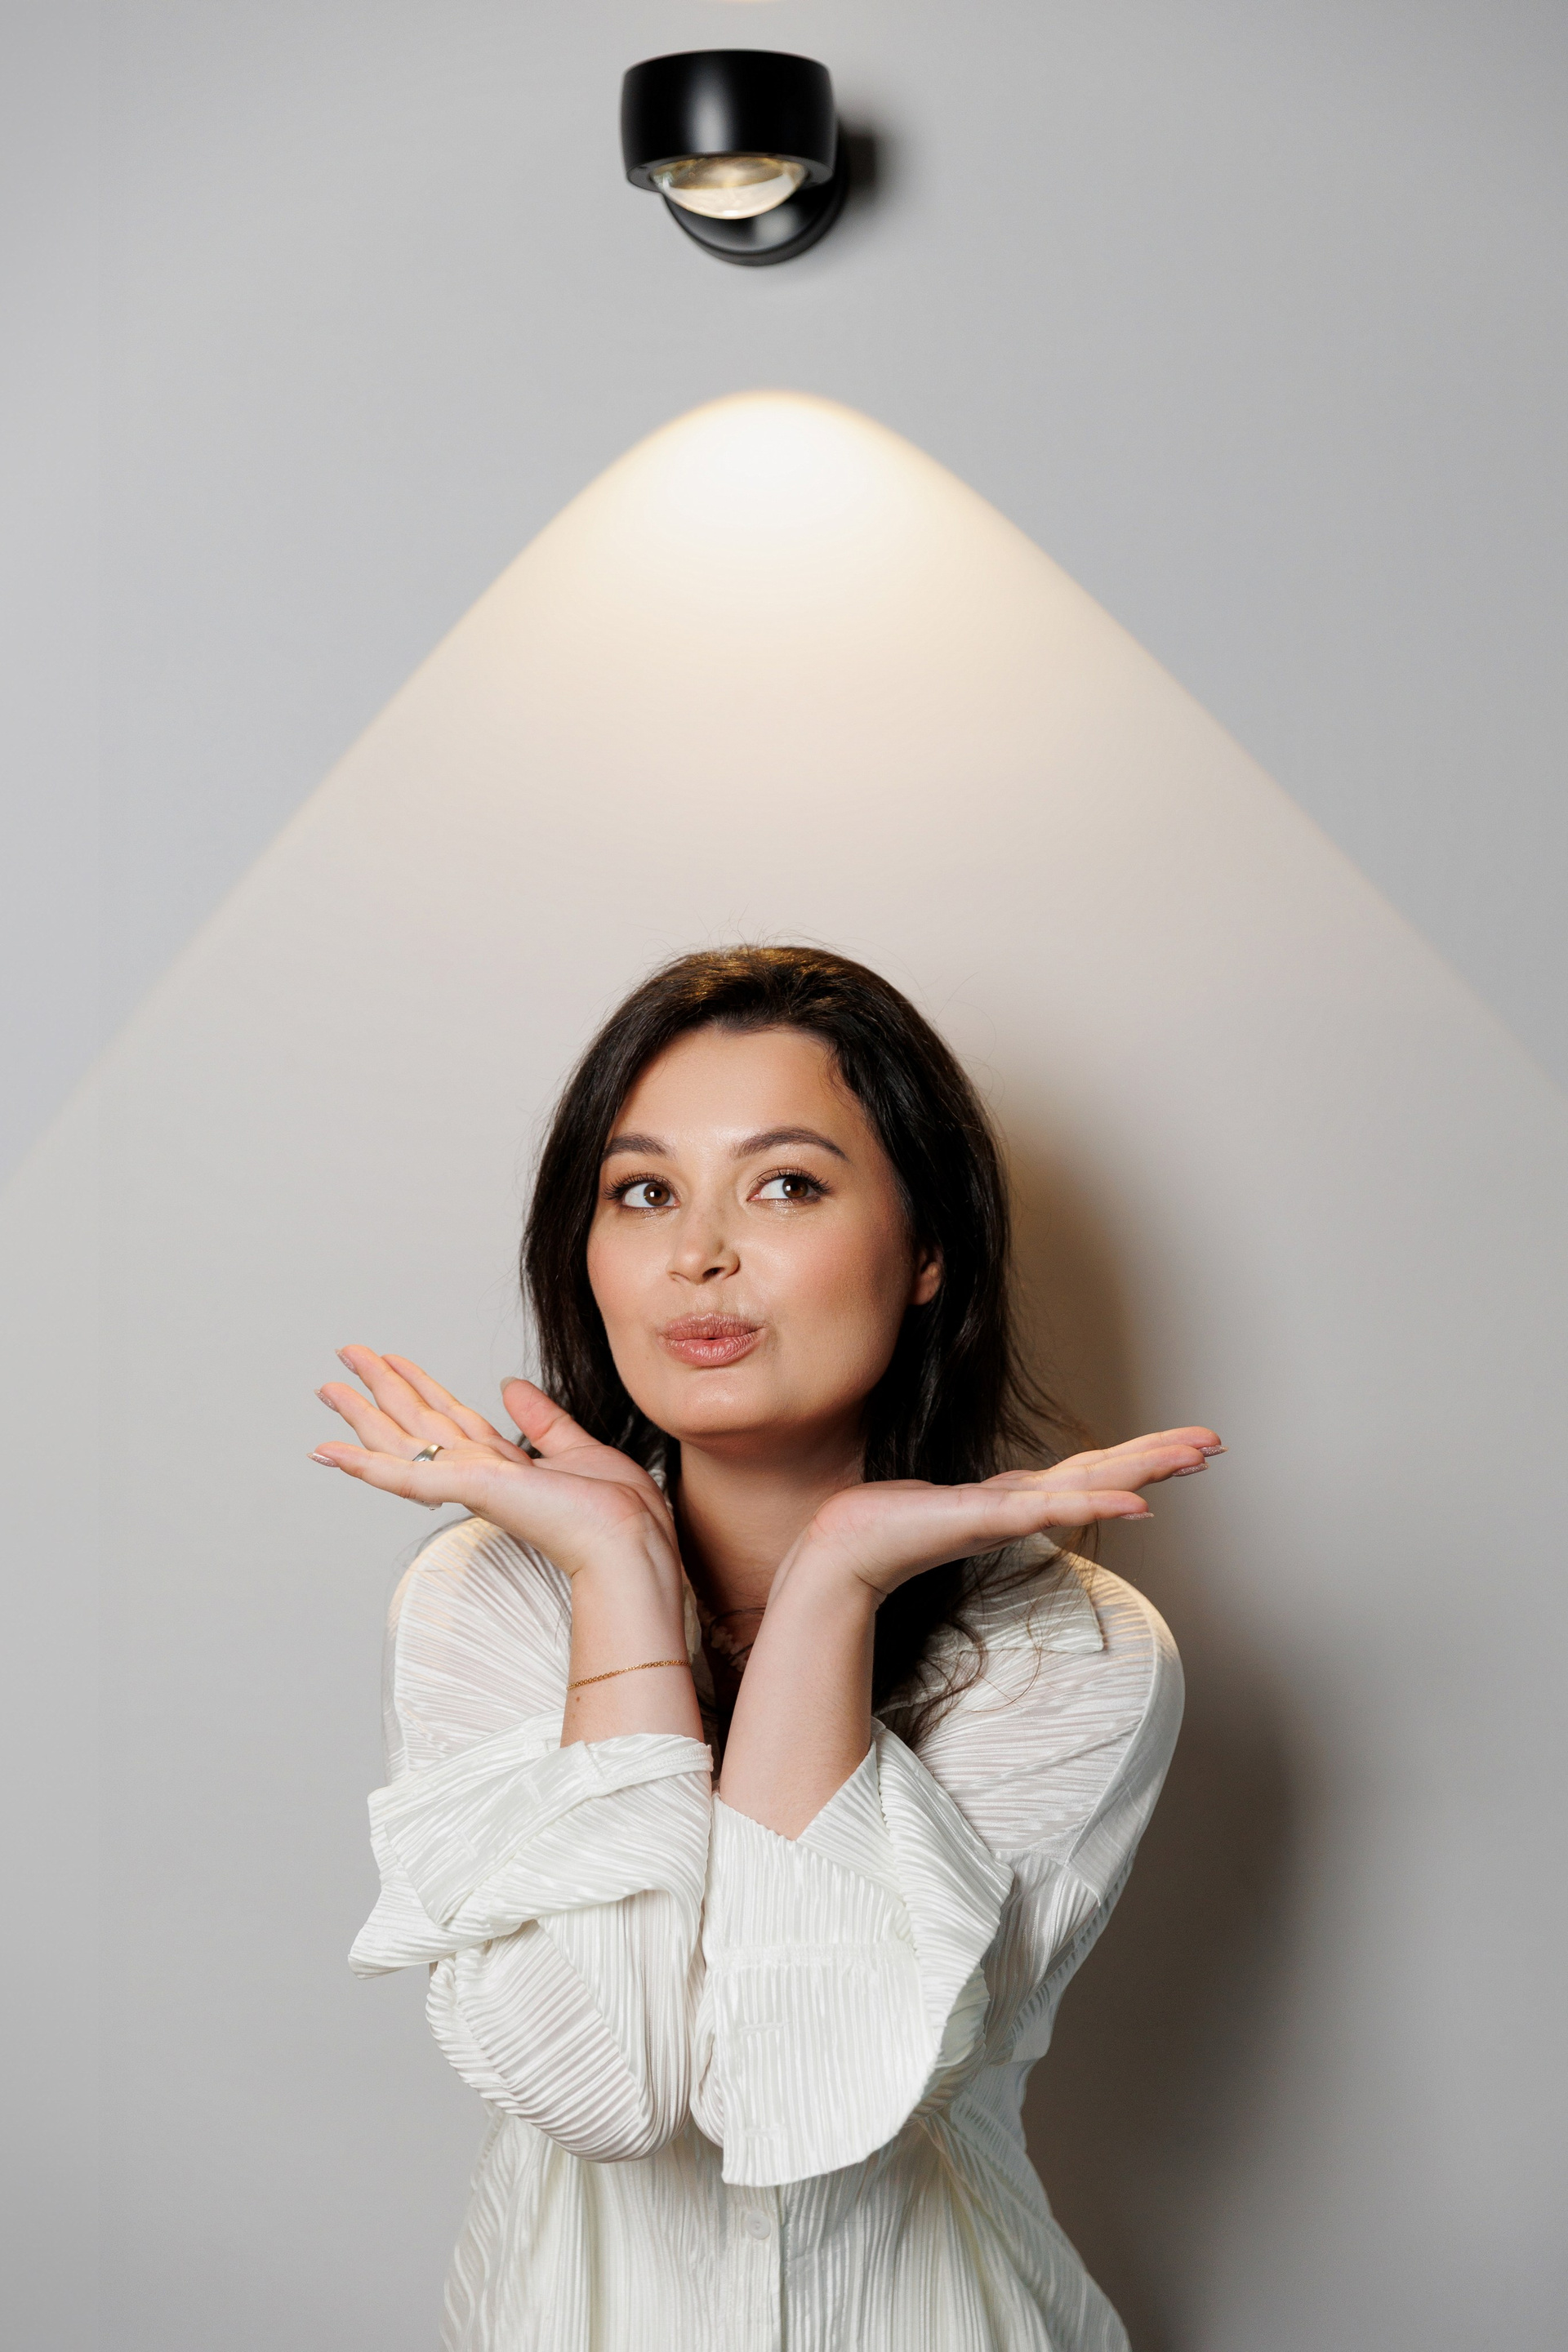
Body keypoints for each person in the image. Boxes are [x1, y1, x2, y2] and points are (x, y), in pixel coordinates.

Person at [311, 945, 1219, 2352]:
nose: (699, 1255)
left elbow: (794, 2095)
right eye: (643, 1192)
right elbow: (606, 2090)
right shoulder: (489, 1594)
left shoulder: (1073, 1647)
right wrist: (619, 1578)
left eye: (786, 1184)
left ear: (929, 1251)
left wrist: (829, 1592)